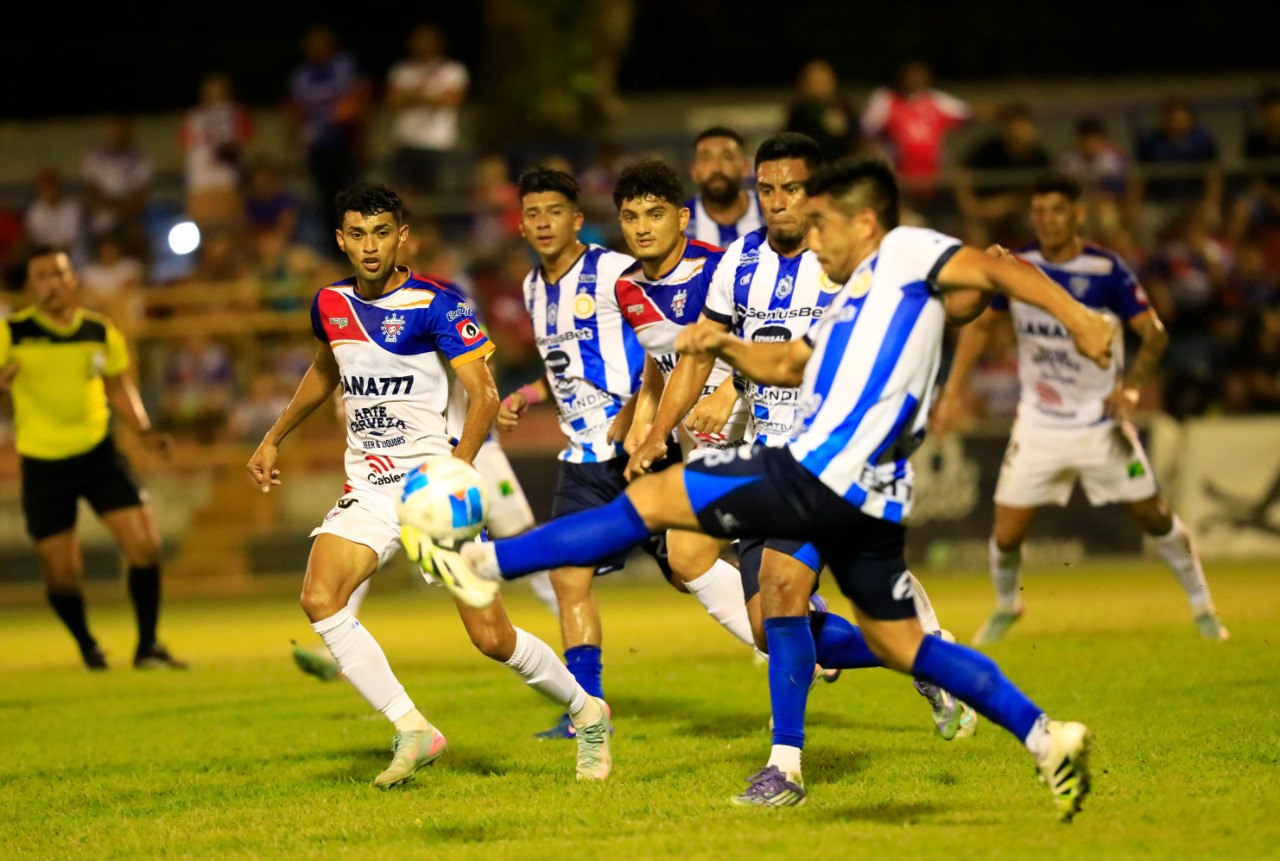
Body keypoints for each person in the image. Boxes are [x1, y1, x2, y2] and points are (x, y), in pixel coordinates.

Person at [419, 156, 1118, 821]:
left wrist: (1082, 318)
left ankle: (481, 562)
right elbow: (788, 363)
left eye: (823, 224)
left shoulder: (907, 253)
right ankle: (1044, 734)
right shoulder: (851, 298)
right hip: (869, 495)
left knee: (655, 505)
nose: (813, 236)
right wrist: (722, 349)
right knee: (896, 641)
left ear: (864, 221)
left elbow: (996, 269)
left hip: (814, 471)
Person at [246, 182, 611, 788]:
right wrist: (274, 435)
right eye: (357, 234)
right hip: (370, 488)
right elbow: (325, 370)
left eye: (381, 232)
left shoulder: (436, 303)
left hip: (431, 491)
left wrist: (456, 469)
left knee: (492, 638)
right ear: (340, 240)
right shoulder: (329, 304)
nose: (370, 246)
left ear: (402, 237)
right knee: (319, 597)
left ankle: (587, 710)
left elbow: (485, 395)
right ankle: (412, 727)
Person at [629, 131, 976, 739]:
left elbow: (924, 311)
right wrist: (658, 431)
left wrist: (984, 290)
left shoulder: (849, 258)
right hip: (765, 455)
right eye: (766, 188)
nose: (776, 200)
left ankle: (785, 759)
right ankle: (928, 656)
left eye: (790, 188)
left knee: (785, 594)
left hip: (833, 455)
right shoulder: (738, 262)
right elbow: (701, 355)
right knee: (764, 625)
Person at [936, 173, 1229, 643]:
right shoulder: (1018, 266)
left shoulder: (1106, 271)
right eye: (1039, 211)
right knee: (1006, 534)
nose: (1047, 220)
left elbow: (1153, 335)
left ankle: (1203, 607)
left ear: (1078, 214)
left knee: (1154, 516)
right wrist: (953, 391)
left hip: (1099, 424)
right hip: (1038, 425)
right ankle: (1008, 605)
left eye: (1057, 210)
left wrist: (1131, 389)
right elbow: (980, 325)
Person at [494, 166, 674, 738]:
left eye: (555, 211)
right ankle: (588, 711)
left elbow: (664, 343)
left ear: (576, 220)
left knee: (690, 570)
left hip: (635, 449)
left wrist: (641, 411)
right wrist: (526, 394)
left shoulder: (616, 270)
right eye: (533, 213)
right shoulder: (532, 287)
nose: (543, 222)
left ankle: (803, 628)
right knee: (568, 578)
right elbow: (563, 368)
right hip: (582, 457)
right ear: (521, 225)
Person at [0, 247, 184, 671]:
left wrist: (143, 430)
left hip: (99, 455)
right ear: (29, 287)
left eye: (59, 274)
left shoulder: (99, 331)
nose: (53, 283)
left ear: (73, 280)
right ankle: (87, 646)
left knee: (145, 546)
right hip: (43, 464)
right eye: (42, 276)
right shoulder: (13, 333)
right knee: (62, 574)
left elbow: (118, 385)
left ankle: (148, 646)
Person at [286, 26, 371, 238]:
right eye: (311, 45)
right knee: (326, 202)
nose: (316, 49)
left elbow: (361, 101)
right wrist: (293, 146)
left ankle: (357, 243)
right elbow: (296, 112)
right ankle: (335, 247)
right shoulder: (301, 75)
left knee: (351, 199)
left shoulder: (346, 66)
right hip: (317, 146)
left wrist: (363, 143)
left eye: (320, 44)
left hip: (344, 144)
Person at [860, 60, 971, 206]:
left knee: (961, 176)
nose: (914, 79)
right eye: (910, 75)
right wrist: (882, 159)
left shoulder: (936, 100)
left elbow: (968, 113)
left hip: (935, 175)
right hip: (898, 177)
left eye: (918, 75)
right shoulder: (885, 100)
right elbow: (864, 133)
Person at [386, 23, 469, 200]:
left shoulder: (452, 70)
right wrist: (432, 96)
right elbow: (393, 100)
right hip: (407, 142)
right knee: (404, 197)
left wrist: (412, 95)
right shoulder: (402, 71)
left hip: (438, 143)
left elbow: (452, 100)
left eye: (428, 41)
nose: (423, 45)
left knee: (437, 198)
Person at [179, 73, 255, 232]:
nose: (214, 94)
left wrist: (232, 151)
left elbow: (250, 142)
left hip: (227, 180)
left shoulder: (236, 113)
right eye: (210, 90)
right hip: (200, 183)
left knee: (230, 226)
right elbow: (181, 146)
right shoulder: (194, 116)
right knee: (201, 228)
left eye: (218, 89)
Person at [684, 126, 763, 247]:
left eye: (727, 157)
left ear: (745, 167)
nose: (717, 168)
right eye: (706, 158)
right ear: (694, 171)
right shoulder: (679, 222)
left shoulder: (768, 212)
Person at [783, 60, 862, 162]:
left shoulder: (845, 108)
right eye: (815, 81)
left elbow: (855, 138)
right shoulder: (800, 112)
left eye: (823, 81)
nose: (820, 86)